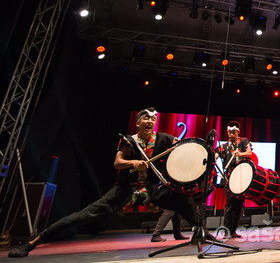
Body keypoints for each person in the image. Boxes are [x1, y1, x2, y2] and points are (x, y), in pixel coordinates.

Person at [9, 107, 205, 258]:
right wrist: (133, 163)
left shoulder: (163, 139)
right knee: (84, 215)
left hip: (153, 188)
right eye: (146, 117)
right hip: (126, 187)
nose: (150, 121)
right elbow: (117, 163)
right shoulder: (129, 140)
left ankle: (202, 233)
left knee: (183, 199)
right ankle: (33, 242)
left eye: (153, 118)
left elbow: (182, 146)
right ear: (137, 123)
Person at [215, 121, 257, 239]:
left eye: (233, 132)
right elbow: (216, 155)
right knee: (229, 205)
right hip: (229, 178)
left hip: (241, 177)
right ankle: (227, 231)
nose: (231, 135)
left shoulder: (244, 141)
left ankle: (233, 230)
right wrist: (214, 158)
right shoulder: (224, 146)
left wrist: (240, 153)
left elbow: (249, 153)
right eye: (229, 132)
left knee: (238, 205)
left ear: (238, 132)